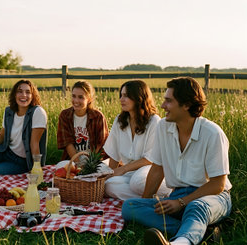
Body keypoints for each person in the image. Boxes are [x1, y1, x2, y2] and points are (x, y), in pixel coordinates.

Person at [122, 77, 232, 245]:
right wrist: (146, 202)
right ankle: (203, 232)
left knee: (196, 207)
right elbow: (157, 169)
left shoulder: (213, 134)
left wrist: (181, 203)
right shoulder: (163, 127)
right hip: (178, 194)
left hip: (213, 197)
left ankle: (178, 242)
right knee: (130, 207)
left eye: (168, 101)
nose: (162, 106)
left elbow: (217, 184)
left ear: (186, 105)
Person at [103, 80, 171, 200]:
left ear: (138, 98)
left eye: (126, 96)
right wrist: (111, 174)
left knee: (137, 182)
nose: (121, 99)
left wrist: (122, 169)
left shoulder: (154, 121)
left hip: (149, 171)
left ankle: (167, 191)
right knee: (108, 185)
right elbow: (113, 154)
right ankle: (149, 199)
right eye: (121, 95)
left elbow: (151, 159)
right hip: (129, 174)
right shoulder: (120, 120)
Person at [0, 80, 47, 177]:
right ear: (14, 95)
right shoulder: (9, 111)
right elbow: (2, 135)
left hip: (21, 161)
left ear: (32, 96)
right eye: (20, 91)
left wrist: (36, 168)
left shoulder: (38, 112)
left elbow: (34, 143)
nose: (24, 95)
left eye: (28, 92)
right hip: (5, 151)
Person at [56, 81, 108, 163]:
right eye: (73, 96)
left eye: (81, 97)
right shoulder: (65, 115)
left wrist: (89, 165)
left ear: (89, 99)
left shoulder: (98, 117)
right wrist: (78, 164)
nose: (76, 101)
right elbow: (68, 143)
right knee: (61, 166)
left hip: (94, 161)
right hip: (72, 159)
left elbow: (100, 144)